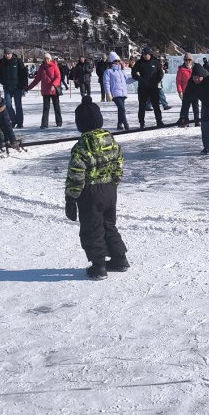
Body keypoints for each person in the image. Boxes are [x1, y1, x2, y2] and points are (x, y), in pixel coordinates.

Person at [64, 98, 128, 280]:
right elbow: (119, 163)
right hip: (109, 189)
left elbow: (76, 175)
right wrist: (114, 182)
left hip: (90, 192)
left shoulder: (81, 146)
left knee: (92, 227)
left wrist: (71, 199)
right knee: (108, 224)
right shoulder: (111, 140)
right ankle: (119, 258)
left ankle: (99, 265)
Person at [131, 46, 164, 128]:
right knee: (142, 106)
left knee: (156, 105)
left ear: (150, 54)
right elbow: (133, 73)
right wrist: (140, 79)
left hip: (153, 88)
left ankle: (159, 121)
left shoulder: (155, 62)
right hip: (143, 88)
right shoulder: (139, 62)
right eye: (143, 54)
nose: (145, 56)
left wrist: (156, 81)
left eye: (146, 54)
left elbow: (160, 74)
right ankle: (141, 122)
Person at [28, 53, 63, 128]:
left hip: (54, 90)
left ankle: (59, 122)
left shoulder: (54, 66)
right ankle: (44, 124)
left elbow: (58, 77)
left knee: (56, 107)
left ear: (50, 59)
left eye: (47, 59)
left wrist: (53, 85)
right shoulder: (42, 68)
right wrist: (29, 87)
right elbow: (37, 79)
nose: (46, 60)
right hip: (45, 90)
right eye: (45, 59)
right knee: (46, 108)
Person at [0, 48, 26, 128]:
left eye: (9, 54)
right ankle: (13, 120)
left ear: (12, 54)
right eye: (6, 54)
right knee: (8, 105)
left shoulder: (18, 61)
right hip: (7, 87)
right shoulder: (2, 62)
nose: (7, 56)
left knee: (18, 105)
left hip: (17, 87)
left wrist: (23, 85)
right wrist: (2, 81)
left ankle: (20, 122)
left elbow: (23, 73)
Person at [103, 52, 130, 131]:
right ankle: (126, 125)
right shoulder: (108, 71)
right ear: (112, 62)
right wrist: (108, 93)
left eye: (118, 61)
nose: (117, 62)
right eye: (115, 61)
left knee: (120, 109)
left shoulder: (122, 71)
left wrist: (136, 78)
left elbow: (127, 80)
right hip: (115, 94)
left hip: (123, 93)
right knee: (122, 109)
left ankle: (119, 124)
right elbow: (106, 83)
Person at [176, 55, 200, 125]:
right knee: (185, 107)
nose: (187, 62)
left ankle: (197, 120)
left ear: (192, 60)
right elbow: (178, 81)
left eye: (189, 60)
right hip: (186, 91)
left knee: (195, 106)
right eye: (186, 60)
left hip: (195, 91)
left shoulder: (195, 68)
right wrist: (180, 91)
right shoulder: (181, 69)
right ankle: (185, 121)